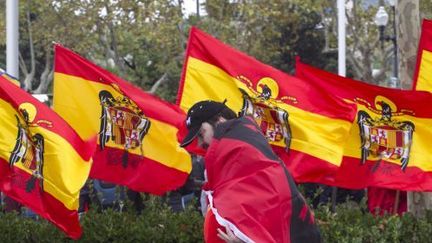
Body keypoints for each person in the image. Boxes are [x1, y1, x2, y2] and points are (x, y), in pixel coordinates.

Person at [180, 100, 321, 243]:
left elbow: (276, 222)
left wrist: (245, 239)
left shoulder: (250, 163)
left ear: (220, 122)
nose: (199, 143)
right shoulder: (238, 162)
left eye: (201, 133)